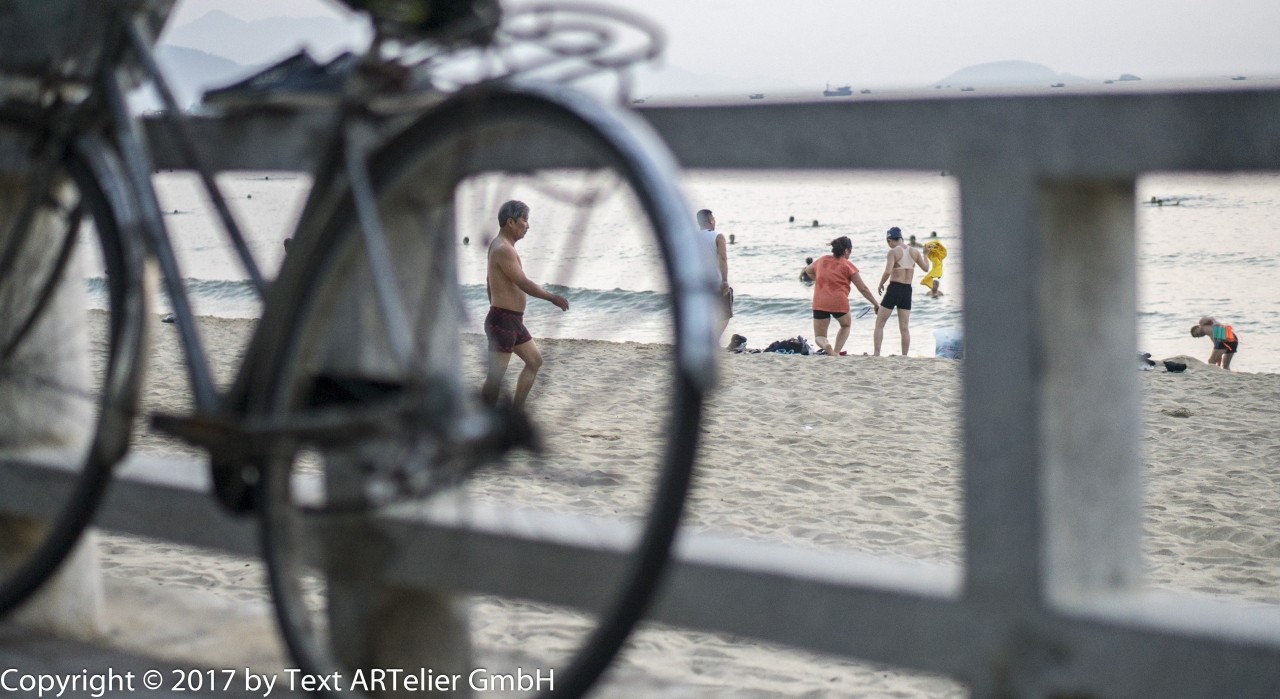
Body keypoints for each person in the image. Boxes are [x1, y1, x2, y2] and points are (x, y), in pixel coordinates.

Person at [481, 200, 569, 409]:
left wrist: (496, 308)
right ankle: (485, 417)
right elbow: (523, 283)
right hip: (504, 319)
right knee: (495, 378)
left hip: (510, 320)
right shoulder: (503, 248)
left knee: (534, 361)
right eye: (525, 220)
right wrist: (552, 298)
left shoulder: (501, 245)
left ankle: (515, 411)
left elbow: (488, 282)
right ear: (511, 222)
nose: (527, 226)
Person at [804, 236, 879, 356]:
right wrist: (875, 303)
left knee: (820, 336)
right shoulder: (848, 265)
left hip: (820, 302)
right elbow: (863, 288)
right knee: (846, 325)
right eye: (850, 251)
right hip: (839, 302)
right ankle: (836, 352)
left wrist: (818, 279)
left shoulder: (822, 260)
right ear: (846, 251)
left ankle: (825, 346)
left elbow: (808, 270)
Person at [873, 226, 930, 356]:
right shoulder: (914, 251)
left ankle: (876, 353)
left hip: (894, 288)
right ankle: (904, 355)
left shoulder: (893, 252)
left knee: (880, 323)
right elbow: (926, 268)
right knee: (904, 328)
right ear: (901, 238)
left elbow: (888, 271)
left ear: (889, 240)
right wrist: (925, 255)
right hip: (907, 290)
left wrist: (880, 284)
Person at [696, 209, 733, 343]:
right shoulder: (718, 236)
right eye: (714, 219)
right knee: (724, 315)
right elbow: (722, 259)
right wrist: (724, 280)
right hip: (715, 282)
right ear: (710, 220)